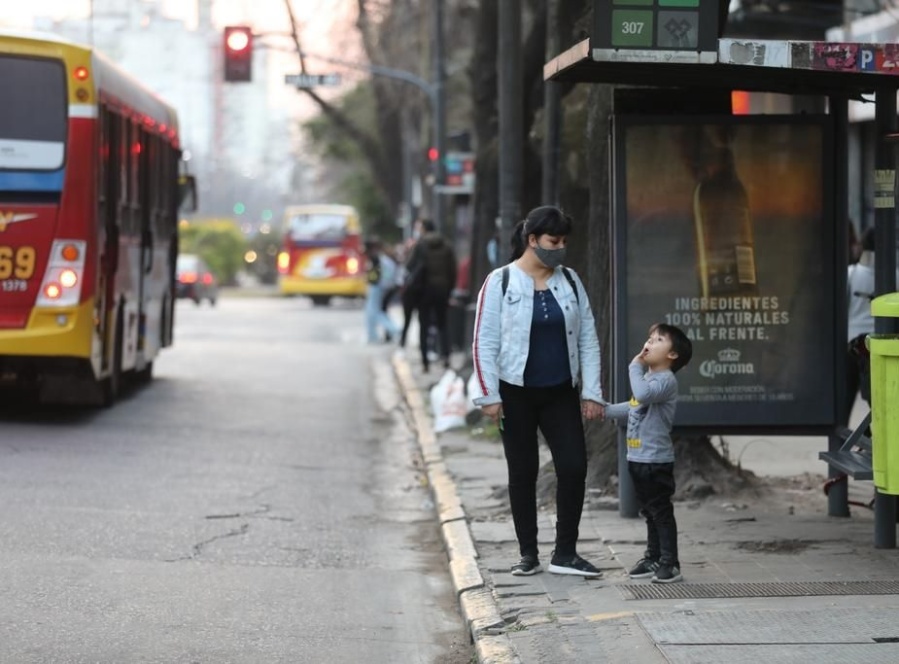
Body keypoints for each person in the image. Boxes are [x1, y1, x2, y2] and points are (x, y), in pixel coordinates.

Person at [471, 205, 605, 578]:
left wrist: (592, 392)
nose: (560, 248)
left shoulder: (571, 281)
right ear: (532, 240)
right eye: (553, 241)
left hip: (560, 391)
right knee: (523, 471)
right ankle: (527, 554)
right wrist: (489, 395)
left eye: (563, 242)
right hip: (515, 393)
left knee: (574, 466)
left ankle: (565, 553)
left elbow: (588, 339)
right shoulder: (500, 282)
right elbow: (483, 342)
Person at [603, 323, 693, 584]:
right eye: (650, 337)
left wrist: (635, 365)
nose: (650, 342)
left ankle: (670, 563)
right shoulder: (651, 380)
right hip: (638, 458)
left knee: (660, 512)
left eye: (659, 340)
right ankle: (653, 557)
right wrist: (603, 410)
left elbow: (641, 395)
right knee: (649, 512)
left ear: (672, 355)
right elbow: (633, 406)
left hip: (656, 461)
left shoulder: (665, 380)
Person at [406, 218, 457, 372]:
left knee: (424, 325)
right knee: (443, 324)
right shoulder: (446, 245)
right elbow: (452, 270)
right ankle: (446, 357)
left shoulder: (420, 245)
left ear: (424, 229)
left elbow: (410, 266)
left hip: (424, 291)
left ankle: (425, 362)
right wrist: (449, 289)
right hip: (442, 290)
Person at [846, 227, 876, 422]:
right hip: (878, 344)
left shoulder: (850, 273)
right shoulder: (895, 275)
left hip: (851, 342)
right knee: (877, 401)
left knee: (846, 399)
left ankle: (842, 437)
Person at [364, 239, 399, 344]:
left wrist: (370, 279)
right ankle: (372, 335)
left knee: (374, 312)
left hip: (376, 287)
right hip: (380, 286)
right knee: (371, 313)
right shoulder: (382, 258)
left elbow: (374, 275)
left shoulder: (375, 258)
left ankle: (394, 329)